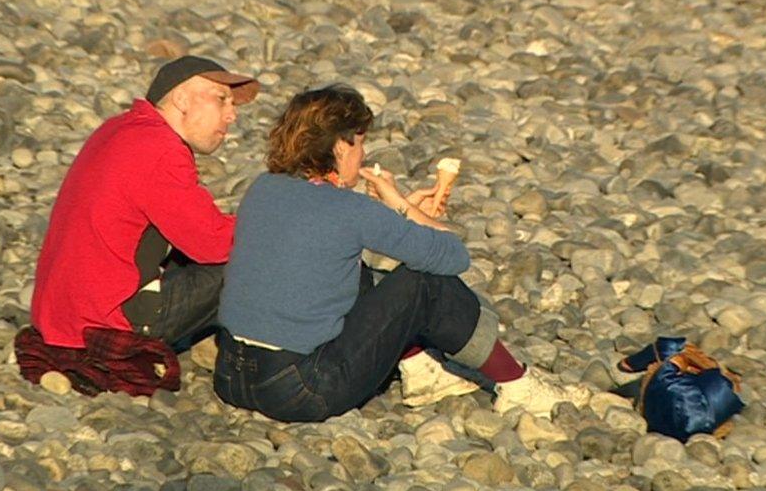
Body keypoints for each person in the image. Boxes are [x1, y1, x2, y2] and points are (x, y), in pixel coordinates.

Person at [214, 85, 590, 422]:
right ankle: (519, 385)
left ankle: (420, 370)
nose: (363, 156)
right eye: (360, 143)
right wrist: (402, 205)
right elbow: (453, 256)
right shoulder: (352, 210)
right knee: (425, 285)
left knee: (352, 270)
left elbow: (326, 238)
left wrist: (393, 217)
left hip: (231, 374)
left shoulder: (263, 189)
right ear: (340, 145)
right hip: (300, 390)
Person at [14, 56, 260, 396]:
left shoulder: (119, 129)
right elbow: (213, 243)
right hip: (103, 320)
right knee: (257, 259)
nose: (232, 115)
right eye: (221, 99)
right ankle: (264, 365)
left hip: (60, 315)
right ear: (182, 99)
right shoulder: (159, 150)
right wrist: (272, 223)